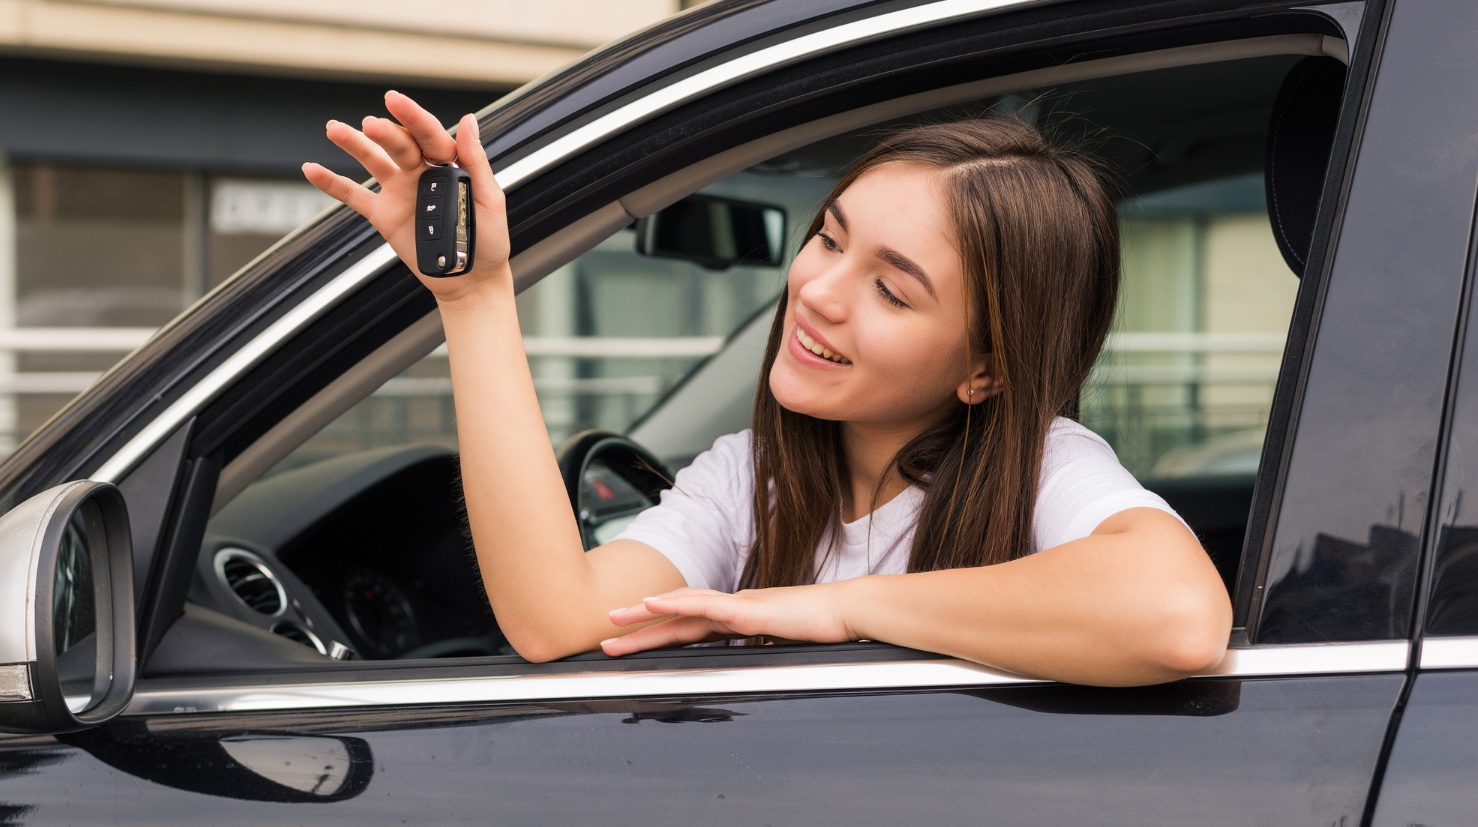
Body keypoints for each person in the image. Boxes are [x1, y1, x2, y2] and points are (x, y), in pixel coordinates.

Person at [303, 91, 1233, 687]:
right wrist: (472, 299)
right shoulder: (752, 478)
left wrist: (838, 607)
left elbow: (1178, 616)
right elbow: (556, 621)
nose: (814, 289)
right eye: (828, 239)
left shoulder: (1044, 468)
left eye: (891, 288)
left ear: (987, 368)